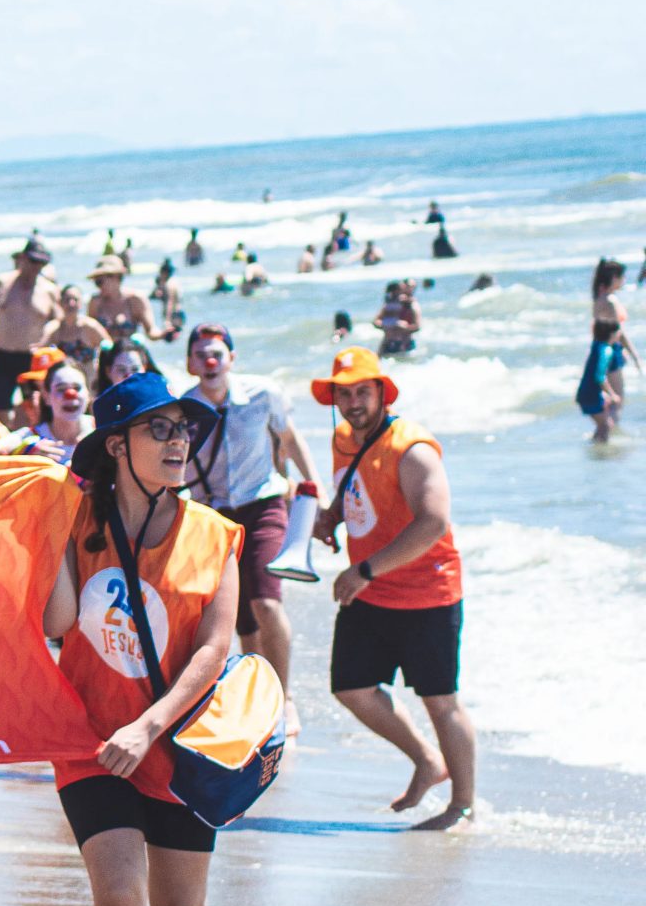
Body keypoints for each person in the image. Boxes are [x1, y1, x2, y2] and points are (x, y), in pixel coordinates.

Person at [46, 372, 238, 906]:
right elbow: (61, 621)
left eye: (184, 428)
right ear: (116, 445)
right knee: (119, 891)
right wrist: (51, 523)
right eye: (159, 428)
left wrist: (150, 725)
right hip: (89, 741)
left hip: (180, 746)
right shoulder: (77, 520)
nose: (178, 439)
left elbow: (213, 651)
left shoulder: (215, 535)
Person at [314, 349, 475, 831]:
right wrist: (332, 515)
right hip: (372, 590)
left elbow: (432, 522)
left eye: (362, 391)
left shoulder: (412, 448)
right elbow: (355, 487)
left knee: (440, 701)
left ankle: (463, 806)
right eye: (344, 392)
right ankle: (428, 761)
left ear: (383, 392)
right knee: (351, 688)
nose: (353, 401)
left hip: (427, 592)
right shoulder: (344, 438)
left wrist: (364, 570)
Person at [181, 323, 318, 733]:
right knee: (240, 619)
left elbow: (289, 440)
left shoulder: (263, 394)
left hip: (264, 503)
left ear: (231, 359)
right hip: (214, 517)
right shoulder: (181, 408)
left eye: (217, 353)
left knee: (266, 602)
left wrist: (314, 492)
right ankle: (260, 701)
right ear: (190, 363)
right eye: (201, 354)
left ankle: (285, 700)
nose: (210, 361)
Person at [0, 236, 60, 410]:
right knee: (0, 406)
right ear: (23, 258)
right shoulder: (2, 283)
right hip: (2, 355)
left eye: (41, 263)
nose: (36, 267)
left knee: (33, 407)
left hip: (31, 357)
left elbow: (58, 320)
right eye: (33, 261)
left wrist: (46, 338)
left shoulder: (49, 289)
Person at [579, 259, 631, 442]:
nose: (624, 280)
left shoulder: (599, 297)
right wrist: (631, 352)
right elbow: (618, 330)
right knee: (617, 400)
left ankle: (603, 434)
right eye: (622, 276)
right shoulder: (609, 300)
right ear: (614, 278)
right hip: (612, 348)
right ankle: (606, 436)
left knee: (611, 401)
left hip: (605, 345)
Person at [85, 255, 152, 345]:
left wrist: (165, 333)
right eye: (96, 282)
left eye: (100, 282)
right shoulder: (95, 302)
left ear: (116, 278)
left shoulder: (135, 299)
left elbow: (151, 332)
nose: (98, 286)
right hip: (106, 355)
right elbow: (89, 334)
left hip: (131, 352)